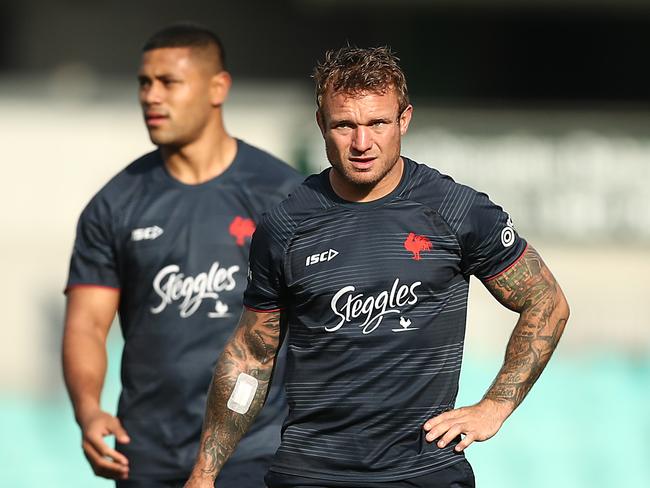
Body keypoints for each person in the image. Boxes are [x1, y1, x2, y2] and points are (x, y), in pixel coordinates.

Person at [184, 46, 570, 488]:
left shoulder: (456, 210)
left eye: (378, 123)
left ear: (404, 119)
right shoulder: (285, 225)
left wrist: (495, 406)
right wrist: (205, 472)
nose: (362, 143)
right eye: (344, 125)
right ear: (321, 125)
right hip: (310, 473)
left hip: (424, 472)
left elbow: (546, 302)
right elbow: (251, 356)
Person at [62, 23, 303, 488]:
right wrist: (89, 410)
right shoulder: (114, 204)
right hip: (146, 452)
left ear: (218, 88)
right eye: (144, 83)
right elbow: (87, 324)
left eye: (169, 82)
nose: (151, 96)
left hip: (253, 449)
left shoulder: (282, 195)